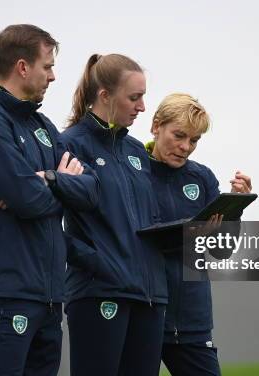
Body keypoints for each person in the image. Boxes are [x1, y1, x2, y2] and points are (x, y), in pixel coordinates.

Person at [0, 24, 99, 376]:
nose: (53, 76)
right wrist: (61, 186)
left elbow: (91, 190)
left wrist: (49, 180)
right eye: (47, 66)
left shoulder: (43, 126)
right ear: (22, 67)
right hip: (6, 293)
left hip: (50, 295)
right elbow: (28, 201)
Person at [60, 54, 167, 376]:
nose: (143, 107)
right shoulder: (69, 144)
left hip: (149, 296)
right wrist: (97, 262)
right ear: (105, 96)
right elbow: (48, 221)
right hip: (98, 292)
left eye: (144, 96)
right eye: (134, 97)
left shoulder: (137, 152)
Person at [146, 93, 252, 375]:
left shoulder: (202, 178)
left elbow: (221, 250)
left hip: (193, 318)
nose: (185, 147)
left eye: (194, 140)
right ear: (157, 126)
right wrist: (190, 234)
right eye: (179, 135)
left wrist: (235, 209)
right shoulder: (134, 172)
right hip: (145, 314)